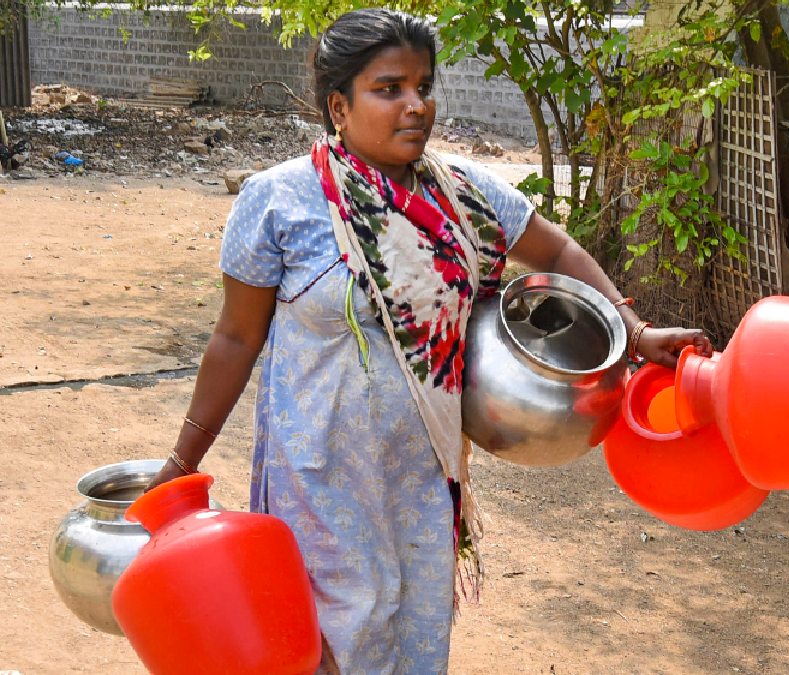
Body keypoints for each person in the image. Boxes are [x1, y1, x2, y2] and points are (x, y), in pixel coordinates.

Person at [145, 9, 712, 673]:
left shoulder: (464, 196)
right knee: (331, 638)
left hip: (421, 473)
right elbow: (237, 339)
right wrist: (183, 460)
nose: (416, 105)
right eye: (389, 89)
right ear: (339, 106)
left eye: (423, 87)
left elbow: (555, 249)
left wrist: (634, 332)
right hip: (318, 474)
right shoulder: (281, 201)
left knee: (413, 636)